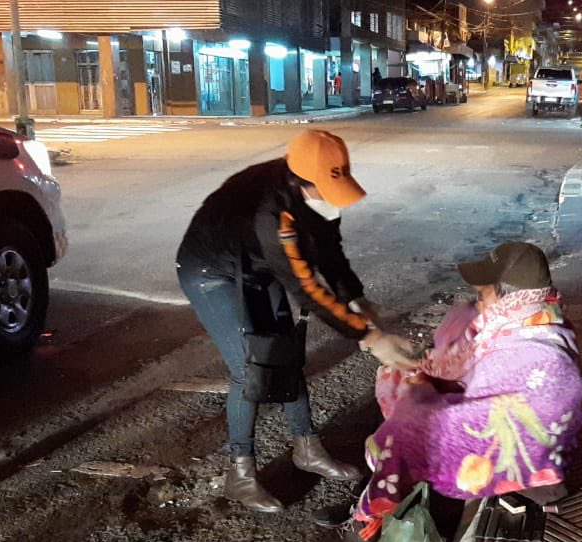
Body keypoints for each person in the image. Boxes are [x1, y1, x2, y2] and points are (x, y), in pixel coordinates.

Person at [177, 130, 418, 513]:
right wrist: (368, 336)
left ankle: (307, 448)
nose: (330, 197)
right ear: (300, 180)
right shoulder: (272, 214)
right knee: (248, 368)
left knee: (287, 354)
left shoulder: (312, 191)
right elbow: (306, 288)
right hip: (211, 273)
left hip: (255, 267)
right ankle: (240, 475)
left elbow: (330, 252)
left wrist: (356, 299)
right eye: (324, 187)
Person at [307, 242, 582, 542]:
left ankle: (367, 524)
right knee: (402, 385)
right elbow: (474, 372)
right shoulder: (534, 317)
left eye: (483, 291)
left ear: (505, 292)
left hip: (527, 465)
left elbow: (483, 402)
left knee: (401, 437)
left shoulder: (531, 349)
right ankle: (373, 494)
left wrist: (419, 395)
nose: (477, 297)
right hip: (517, 434)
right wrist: (423, 374)